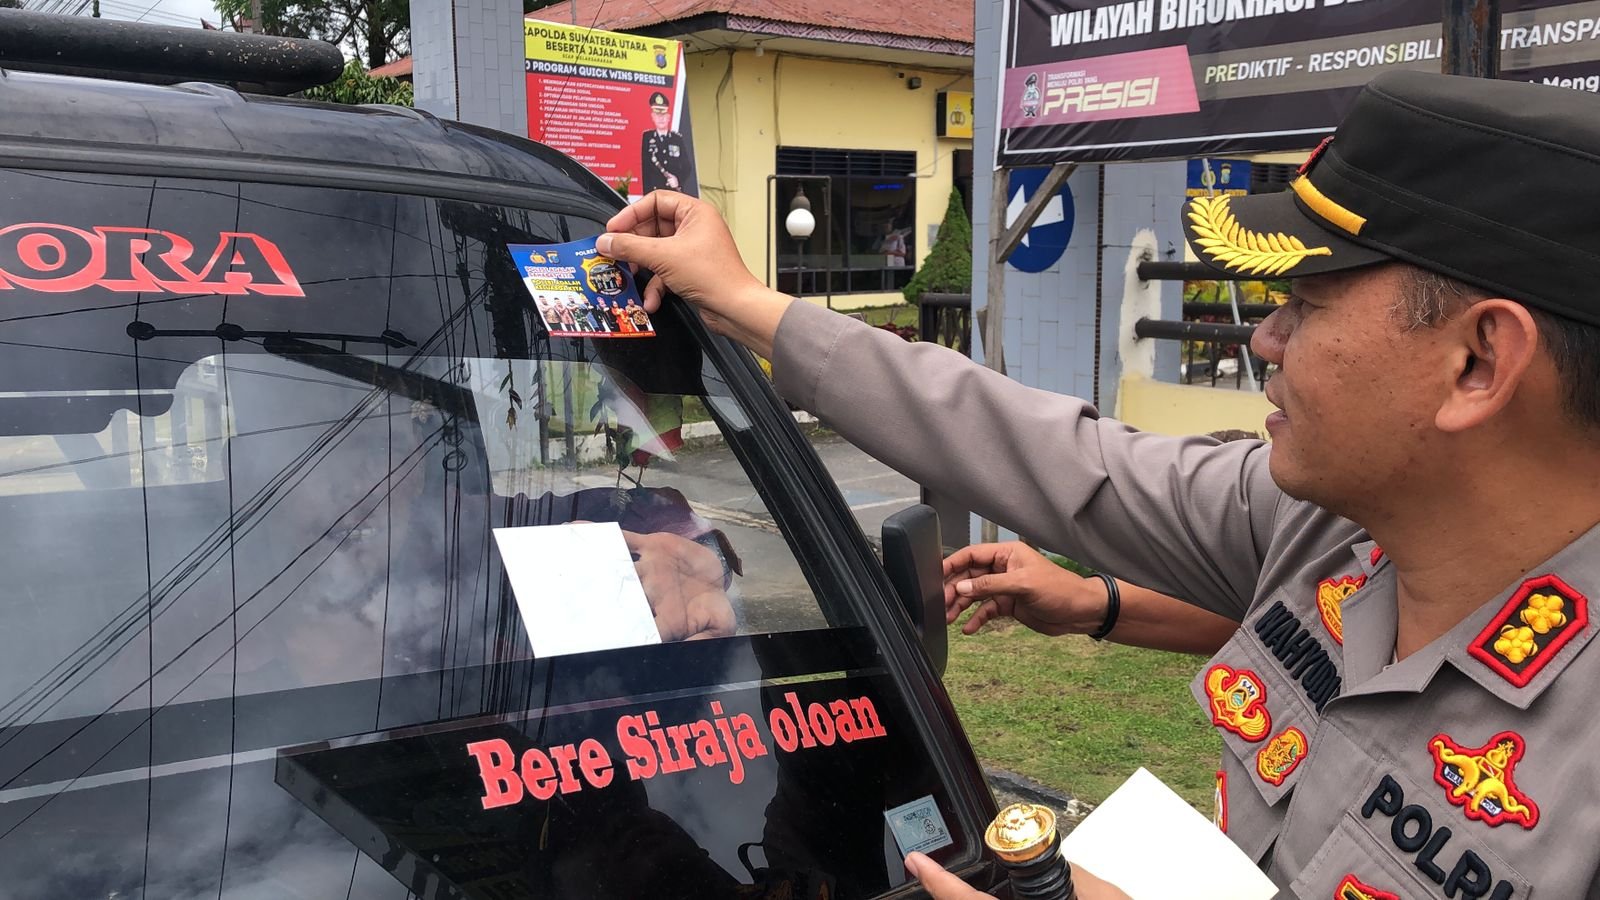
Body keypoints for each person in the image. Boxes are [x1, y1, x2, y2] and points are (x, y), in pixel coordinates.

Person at [598, 71, 1600, 898]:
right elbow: (1050, 453)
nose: (1266, 338)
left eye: (1306, 302)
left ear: (1478, 361)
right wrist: (748, 305)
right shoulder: (1323, 526)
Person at [640, 91, 694, 195]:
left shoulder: (677, 139)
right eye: (657, 114)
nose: (661, 118)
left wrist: (678, 180)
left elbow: (687, 166)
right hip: (655, 193)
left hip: (673, 193)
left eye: (663, 114)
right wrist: (647, 195)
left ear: (668, 117)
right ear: (652, 116)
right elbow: (645, 170)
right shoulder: (647, 138)